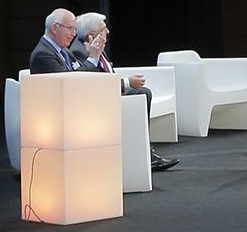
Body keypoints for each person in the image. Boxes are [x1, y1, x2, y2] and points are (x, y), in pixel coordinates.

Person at [71, 12, 176, 171]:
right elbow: (93, 82)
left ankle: (146, 150)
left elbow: (107, 75)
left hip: (109, 93)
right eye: (103, 30)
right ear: (91, 35)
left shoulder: (96, 45)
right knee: (142, 94)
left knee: (143, 93)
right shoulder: (81, 51)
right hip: (98, 101)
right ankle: (145, 153)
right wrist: (127, 83)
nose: (107, 33)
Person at [28, 8, 80, 72]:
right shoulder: (43, 55)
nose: (74, 34)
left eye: (75, 29)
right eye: (70, 28)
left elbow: (79, 71)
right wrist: (92, 58)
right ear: (54, 28)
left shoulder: (64, 51)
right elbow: (68, 79)